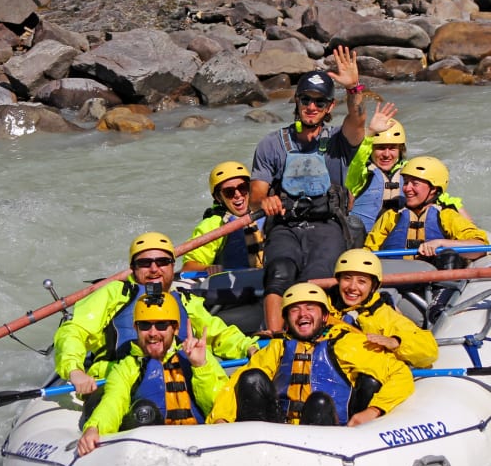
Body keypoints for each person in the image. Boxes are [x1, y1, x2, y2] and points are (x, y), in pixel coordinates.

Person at [54, 231, 259, 397]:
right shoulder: (114, 293)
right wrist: (75, 371)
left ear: (172, 267)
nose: (154, 269)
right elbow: (74, 331)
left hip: (175, 381)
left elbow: (217, 332)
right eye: (145, 263)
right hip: (120, 380)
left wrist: (248, 347)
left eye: (162, 262)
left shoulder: (183, 300)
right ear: (133, 269)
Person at [249, 45, 367, 334]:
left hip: (327, 225)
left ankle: (314, 337)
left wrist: (353, 88)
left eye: (319, 101)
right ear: (297, 101)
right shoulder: (271, 144)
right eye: (306, 99)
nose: (311, 107)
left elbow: (359, 120)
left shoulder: (340, 140)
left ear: (329, 107)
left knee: (315, 279)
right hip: (285, 226)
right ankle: (275, 339)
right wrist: (266, 201)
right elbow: (255, 196)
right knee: (279, 272)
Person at [207, 282, 414, 427]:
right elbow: (235, 384)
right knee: (251, 379)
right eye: (295, 310)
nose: (303, 314)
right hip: (279, 429)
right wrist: (222, 418)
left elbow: (400, 374)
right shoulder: (277, 348)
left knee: (319, 403)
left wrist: (373, 411)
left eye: (310, 308)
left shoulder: (347, 343)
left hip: (328, 433)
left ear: (325, 316)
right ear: (286, 319)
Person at [77, 292, 229, 455]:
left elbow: (220, 406)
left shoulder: (201, 357)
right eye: (145, 325)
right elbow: (113, 401)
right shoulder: (128, 367)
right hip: (153, 454)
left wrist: (200, 367)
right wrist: (95, 427)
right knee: (144, 411)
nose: (152, 333)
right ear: (136, 328)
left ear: (175, 328)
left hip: (204, 445)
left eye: (162, 325)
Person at [346, 103, 470, 233]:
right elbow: (357, 159)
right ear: (371, 149)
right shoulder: (360, 172)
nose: (387, 154)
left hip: (397, 240)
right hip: (364, 242)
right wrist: (370, 133)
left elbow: (435, 193)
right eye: (381, 148)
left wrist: (460, 211)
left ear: (400, 150)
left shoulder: (410, 171)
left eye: (392, 148)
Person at [363, 157, 488, 263]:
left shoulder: (447, 216)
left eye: (415, 184)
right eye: (406, 183)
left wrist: (441, 243)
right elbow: (368, 252)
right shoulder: (391, 216)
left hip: (435, 285)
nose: (407, 188)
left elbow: (480, 247)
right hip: (393, 281)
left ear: (433, 189)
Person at [328, 249, 438, 368]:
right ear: (338, 280)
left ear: (373, 286)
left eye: (362, 281)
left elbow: (429, 350)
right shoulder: (320, 308)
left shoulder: (384, 315)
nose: (352, 287)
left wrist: (396, 342)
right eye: (347, 278)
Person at [182, 161, 265, 271]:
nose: (238, 195)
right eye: (229, 192)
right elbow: (188, 267)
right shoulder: (212, 225)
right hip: (233, 284)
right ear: (219, 197)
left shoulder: (266, 211)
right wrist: (207, 268)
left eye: (242, 187)